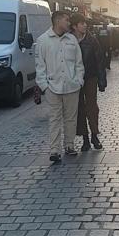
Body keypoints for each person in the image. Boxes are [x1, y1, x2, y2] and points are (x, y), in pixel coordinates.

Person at [34, 10, 85, 163]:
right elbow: (39, 66)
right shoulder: (43, 40)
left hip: (71, 86)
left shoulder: (72, 40)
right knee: (54, 118)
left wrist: (78, 80)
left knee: (71, 118)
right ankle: (54, 150)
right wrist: (45, 87)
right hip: (52, 87)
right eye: (66, 20)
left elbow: (78, 63)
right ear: (57, 21)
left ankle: (69, 145)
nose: (69, 23)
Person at [71, 14, 105, 151]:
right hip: (74, 79)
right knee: (79, 108)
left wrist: (102, 80)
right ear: (74, 26)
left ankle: (95, 135)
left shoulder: (92, 40)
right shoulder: (68, 40)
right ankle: (84, 138)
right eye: (81, 23)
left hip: (90, 77)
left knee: (92, 107)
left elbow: (100, 61)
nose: (85, 25)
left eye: (85, 23)